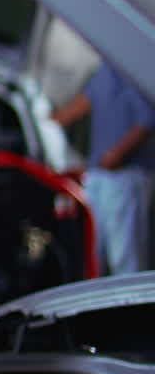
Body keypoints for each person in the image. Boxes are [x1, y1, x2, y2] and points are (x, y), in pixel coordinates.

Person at [51, 59, 155, 275]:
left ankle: (132, 305)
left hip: (125, 176)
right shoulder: (106, 70)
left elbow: (146, 123)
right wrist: (49, 122)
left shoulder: (138, 70)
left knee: (125, 256)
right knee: (93, 253)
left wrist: (116, 154)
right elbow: (84, 102)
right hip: (98, 175)